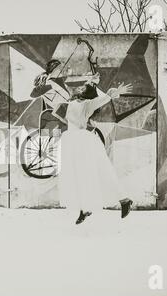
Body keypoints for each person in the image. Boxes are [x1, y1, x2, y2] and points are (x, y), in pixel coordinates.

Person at [58, 73, 133, 224]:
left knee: (97, 171)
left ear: (85, 94)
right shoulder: (73, 101)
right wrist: (92, 81)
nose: (80, 90)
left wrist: (113, 93)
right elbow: (88, 90)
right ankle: (84, 208)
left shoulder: (87, 104)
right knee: (78, 175)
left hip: (82, 141)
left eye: (83, 89)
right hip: (74, 141)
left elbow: (103, 99)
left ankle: (123, 200)